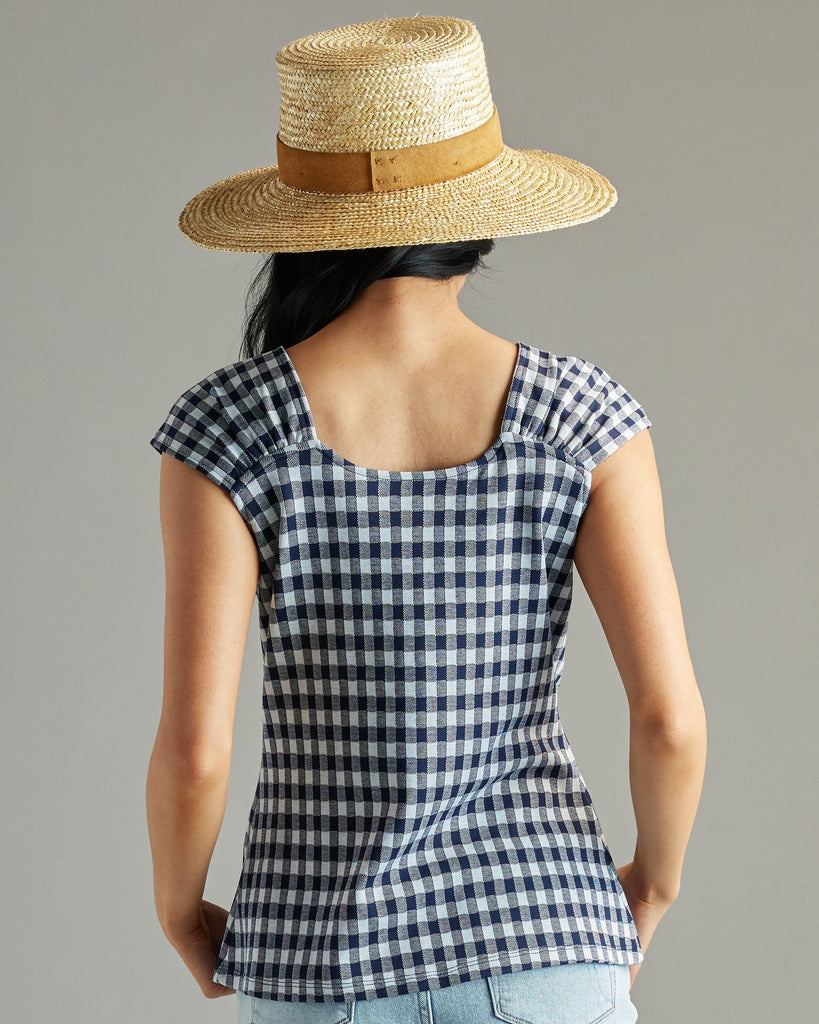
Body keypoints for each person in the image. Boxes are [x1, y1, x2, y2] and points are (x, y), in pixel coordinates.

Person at [145, 15, 707, 1024]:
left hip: (319, 962)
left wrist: (180, 906)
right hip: (546, 939)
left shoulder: (229, 428)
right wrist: (653, 884)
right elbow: (669, 720)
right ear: (477, 213)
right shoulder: (582, 418)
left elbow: (195, 748)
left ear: (297, 222)